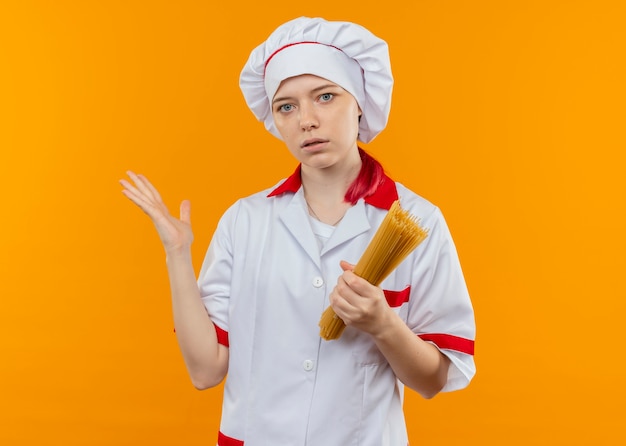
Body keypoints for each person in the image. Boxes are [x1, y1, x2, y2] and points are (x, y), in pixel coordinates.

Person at [121, 16, 475, 446]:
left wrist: (383, 324)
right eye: (286, 106)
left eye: (325, 96)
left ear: (360, 101)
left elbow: (435, 379)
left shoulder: (416, 220)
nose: (306, 120)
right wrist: (178, 253)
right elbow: (205, 370)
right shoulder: (245, 220)